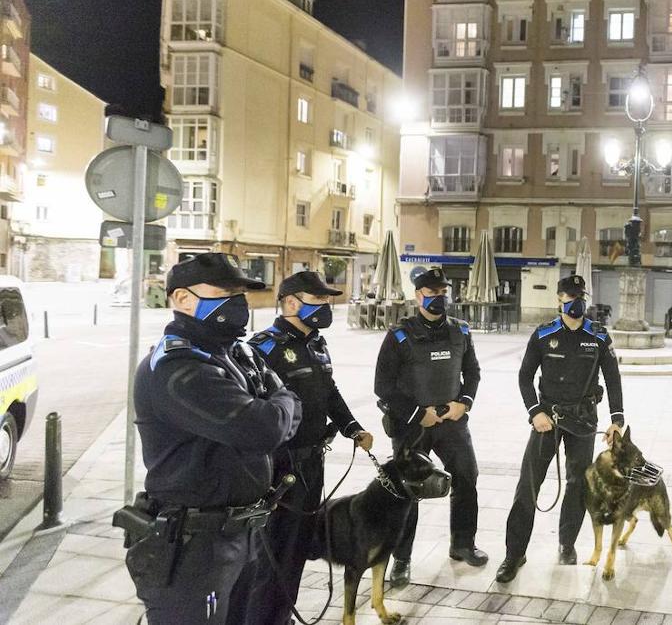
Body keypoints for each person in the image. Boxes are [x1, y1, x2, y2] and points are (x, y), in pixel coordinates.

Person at [120, 253, 302, 624]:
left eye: (241, 293)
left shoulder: (237, 353)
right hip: (194, 547)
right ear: (183, 300)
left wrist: (277, 406)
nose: (239, 303)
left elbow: (292, 406)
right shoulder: (178, 368)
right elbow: (265, 429)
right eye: (225, 292)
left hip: (240, 534)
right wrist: (276, 402)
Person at [241, 270, 375, 625]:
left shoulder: (316, 343)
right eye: (317, 300)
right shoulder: (262, 347)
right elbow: (252, 409)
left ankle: (280, 616)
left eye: (326, 300)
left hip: (314, 463)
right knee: (271, 552)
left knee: (297, 549)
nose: (325, 306)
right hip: (279, 468)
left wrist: (351, 427)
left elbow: (327, 391)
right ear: (290, 303)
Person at [495, 274, 624, 583]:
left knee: (578, 484)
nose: (574, 301)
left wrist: (617, 420)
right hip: (547, 421)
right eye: (569, 296)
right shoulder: (543, 335)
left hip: (583, 421)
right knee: (528, 485)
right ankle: (514, 554)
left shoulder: (599, 337)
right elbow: (525, 377)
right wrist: (534, 412)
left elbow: (614, 379)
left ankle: (566, 544)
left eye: (579, 296)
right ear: (559, 300)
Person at [375, 267, 487, 585]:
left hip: (451, 422)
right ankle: (402, 559)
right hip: (413, 425)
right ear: (418, 296)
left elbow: (473, 372)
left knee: (467, 476)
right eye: (431, 292)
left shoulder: (461, 331)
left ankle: (463, 544)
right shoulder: (399, 335)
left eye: (442, 292)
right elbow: (383, 387)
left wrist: (463, 403)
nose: (438, 297)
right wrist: (416, 413)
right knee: (406, 491)